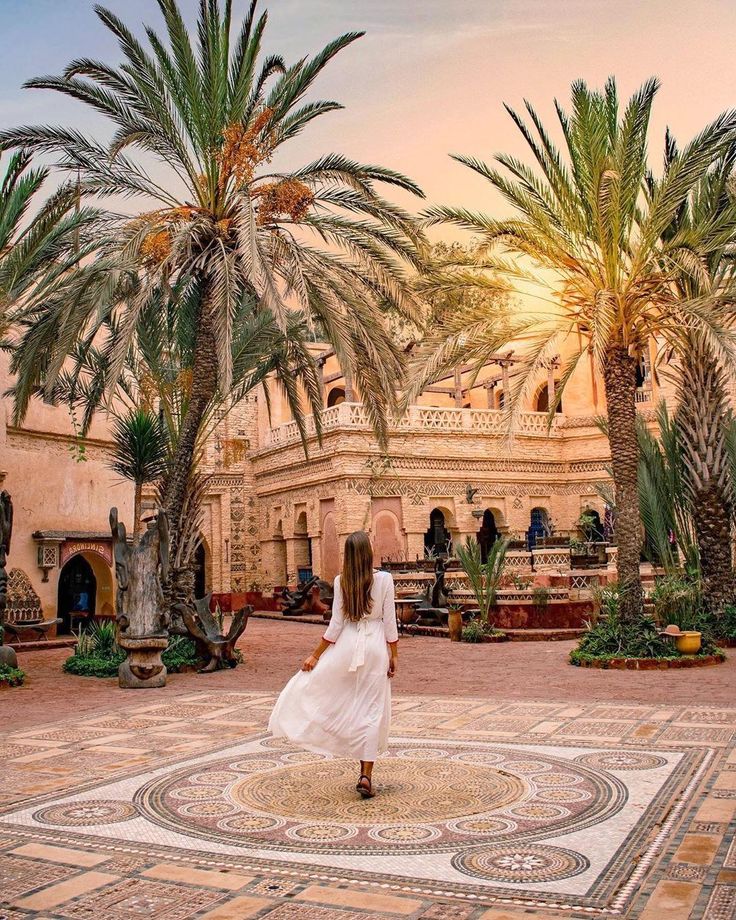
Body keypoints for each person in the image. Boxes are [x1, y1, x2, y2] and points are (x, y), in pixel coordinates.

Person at [268, 531, 399, 798]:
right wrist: (393, 653)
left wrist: (315, 655)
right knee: (372, 711)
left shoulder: (341, 582)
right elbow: (389, 621)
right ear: (368, 551)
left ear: (348, 556)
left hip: (347, 646)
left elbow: (336, 626)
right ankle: (366, 774)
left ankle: (339, 740)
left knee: (339, 699)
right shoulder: (385, 580)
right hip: (374, 647)